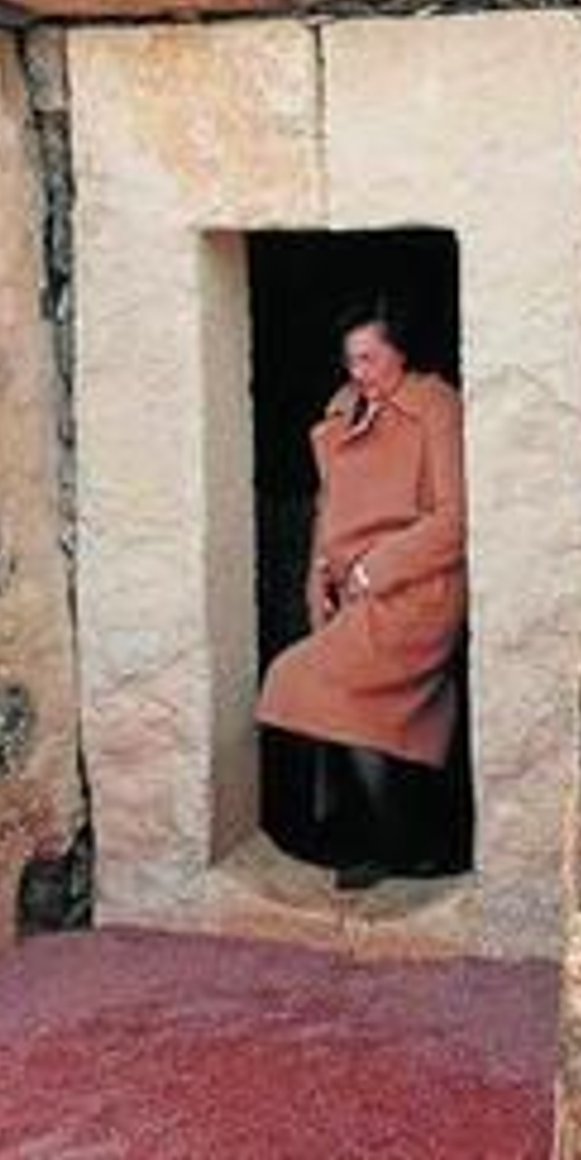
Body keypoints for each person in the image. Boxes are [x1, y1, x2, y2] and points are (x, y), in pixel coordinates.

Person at [254, 303, 468, 889]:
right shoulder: (343, 411)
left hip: (417, 590)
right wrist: (318, 577)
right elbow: (332, 508)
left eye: (369, 357)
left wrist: (379, 566)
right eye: (350, 359)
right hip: (356, 595)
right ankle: (400, 840)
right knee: (357, 712)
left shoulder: (436, 408)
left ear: (401, 352)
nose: (357, 371)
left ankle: (399, 838)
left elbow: (455, 518)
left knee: (302, 681)